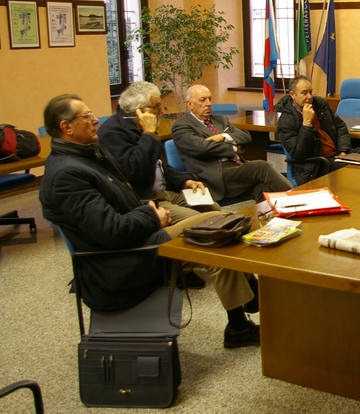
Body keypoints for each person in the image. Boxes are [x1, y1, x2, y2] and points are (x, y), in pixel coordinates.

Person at [39, 94, 260, 348]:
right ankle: (245, 316)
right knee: (217, 230)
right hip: (121, 260)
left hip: (138, 237)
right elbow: (111, 231)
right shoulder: (68, 174)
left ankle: (244, 316)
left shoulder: (84, 157)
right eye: (87, 117)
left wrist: (147, 207)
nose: (95, 121)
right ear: (67, 128)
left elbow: (121, 198)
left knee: (220, 223)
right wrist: (151, 216)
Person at [98, 81, 220, 223]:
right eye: (156, 106)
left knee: (214, 209)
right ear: (139, 110)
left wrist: (184, 181)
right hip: (144, 198)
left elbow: (157, 165)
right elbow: (135, 171)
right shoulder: (112, 133)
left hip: (165, 192)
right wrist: (149, 133)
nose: (161, 111)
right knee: (200, 220)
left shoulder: (140, 125)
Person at [172, 85, 292, 202]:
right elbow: (202, 148)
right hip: (215, 177)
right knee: (261, 167)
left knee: (264, 190)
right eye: (202, 100)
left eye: (210, 99)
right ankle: (297, 198)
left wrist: (222, 136)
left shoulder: (220, 119)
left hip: (236, 169)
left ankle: (272, 219)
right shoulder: (182, 126)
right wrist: (233, 148)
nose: (208, 103)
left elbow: (245, 136)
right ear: (190, 104)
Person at [275, 75, 360, 185]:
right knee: (354, 167)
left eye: (311, 92)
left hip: (335, 155)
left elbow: (340, 126)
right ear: (292, 95)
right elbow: (299, 154)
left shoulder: (320, 104)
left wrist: (342, 151)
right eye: (304, 93)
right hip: (316, 163)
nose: (309, 96)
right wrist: (306, 125)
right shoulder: (286, 121)